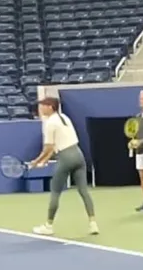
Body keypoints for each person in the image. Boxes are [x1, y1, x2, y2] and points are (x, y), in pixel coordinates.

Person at [31, 97, 99, 236]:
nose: (41, 108)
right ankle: (93, 223)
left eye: (43, 105)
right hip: (78, 155)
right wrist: (43, 161)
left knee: (55, 191)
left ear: (51, 107)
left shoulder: (50, 123)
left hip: (66, 158)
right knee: (84, 191)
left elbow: (48, 148)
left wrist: (36, 161)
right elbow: (54, 147)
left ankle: (48, 226)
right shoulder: (64, 117)